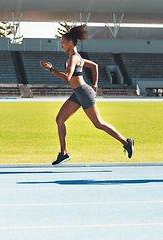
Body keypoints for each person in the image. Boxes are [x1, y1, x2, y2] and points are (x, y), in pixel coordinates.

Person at [40, 25, 134, 165]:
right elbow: (94, 66)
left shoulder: (74, 58)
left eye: (62, 44)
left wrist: (51, 69)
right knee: (60, 119)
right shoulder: (78, 58)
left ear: (70, 43)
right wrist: (95, 84)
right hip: (78, 93)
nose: (61, 46)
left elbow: (67, 77)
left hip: (83, 92)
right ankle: (64, 153)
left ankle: (126, 142)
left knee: (98, 123)